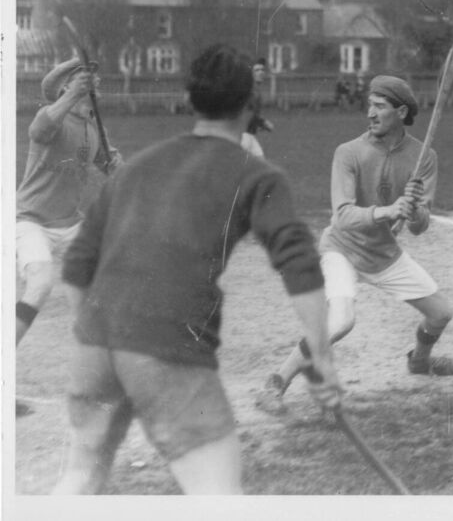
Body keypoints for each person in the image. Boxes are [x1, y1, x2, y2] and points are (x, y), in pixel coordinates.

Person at [54, 45, 342, 494]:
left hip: (94, 344)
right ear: (251, 103)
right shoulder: (259, 174)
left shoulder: (137, 166)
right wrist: (322, 360)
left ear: (192, 102)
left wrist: (101, 334)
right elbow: (300, 266)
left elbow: (75, 269)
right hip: (167, 347)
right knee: (217, 495)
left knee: (80, 478)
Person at [259, 74, 453, 410]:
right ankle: (277, 381)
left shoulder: (424, 157)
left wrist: (412, 212)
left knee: (441, 313)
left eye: (379, 106)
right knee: (341, 321)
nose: (370, 112)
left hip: (384, 255)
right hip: (342, 249)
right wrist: (390, 210)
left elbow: (419, 227)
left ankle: (420, 361)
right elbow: (341, 215)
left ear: (400, 112)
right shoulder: (349, 152)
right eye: (369, 104)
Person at [15, 58, 122, 417]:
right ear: (66, 88)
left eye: (91, 80)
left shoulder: (93, 128)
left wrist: (119, 169)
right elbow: (39, 129)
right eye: (81, 80)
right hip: (30, 220)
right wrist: (72, 92)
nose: (92, 83)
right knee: (40, 283)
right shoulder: (51, 117)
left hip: (68, 224)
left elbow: (110, 166)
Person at [245, 57, 274, 150]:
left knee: (259, 161)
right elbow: (249, 113)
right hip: (244, 135)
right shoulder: (250, 91)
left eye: (262, 70)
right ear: (251, 73)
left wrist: (260, 123)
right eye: (257, 70)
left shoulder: (256, 90)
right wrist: (263, 123)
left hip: (250, 134)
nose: (261, 72)